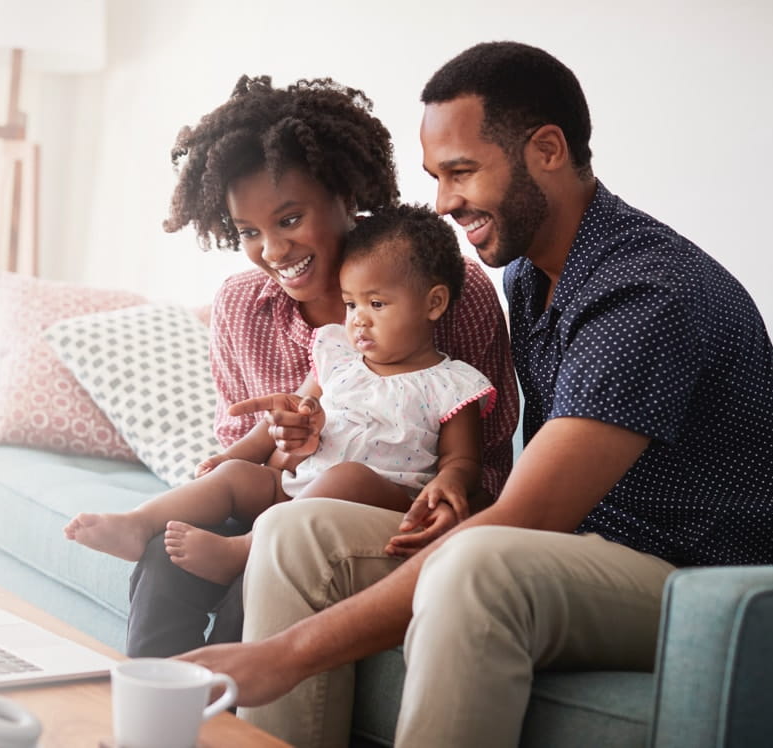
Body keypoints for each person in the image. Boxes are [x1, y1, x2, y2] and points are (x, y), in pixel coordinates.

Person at [176, 42, 773, 748]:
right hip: (589, 549)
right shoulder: (531, 275)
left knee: (475, 568)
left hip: (707, 583)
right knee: (296, 530)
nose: (445, 202)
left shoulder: (645, 292)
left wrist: (283, 655)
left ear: (546, 149)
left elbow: (531, 515)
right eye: (437, 177)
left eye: (461, 173)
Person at [118, 75, 520, 659]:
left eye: (288, 219)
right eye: (249, 232)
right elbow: (251, 466)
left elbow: (484, 471)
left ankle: (224, 723)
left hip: (380, 517)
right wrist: (288, 447)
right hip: (281, 498)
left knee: (261, 581)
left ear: (344, 195)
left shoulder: (450, 288)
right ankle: (152, 715)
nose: (273, 251)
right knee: (163, 558)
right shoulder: (241, 306)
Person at [65, 204, 496, 588]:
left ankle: (245, 551)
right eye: (350, 305)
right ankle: (139, 523)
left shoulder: (452, 383)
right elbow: (288, 413)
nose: (359, 321)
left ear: (434, 303)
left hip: (376, 500)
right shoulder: (337, 357)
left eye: (377, 305)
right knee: (235, 475)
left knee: (348, 475)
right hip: (297, 486)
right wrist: (234, 456)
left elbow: (462, 460)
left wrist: (449, 483)